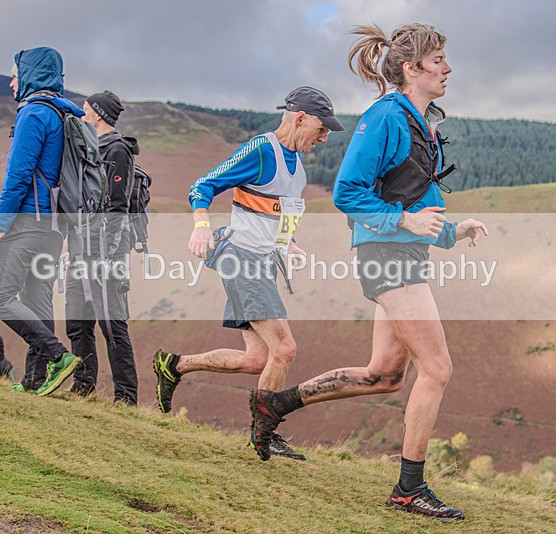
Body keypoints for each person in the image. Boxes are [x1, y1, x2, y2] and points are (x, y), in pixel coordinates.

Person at [248, 24, 488, 520]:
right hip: (385, 255)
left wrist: (451, 231)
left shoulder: (422, 122)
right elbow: (347, 193)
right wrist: (406, 221)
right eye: (439, 60)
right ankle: (408, 489)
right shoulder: (383, 118)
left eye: (445, 59)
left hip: (404, 252)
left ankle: (276, 405)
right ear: (411, 68)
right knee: (438, 369)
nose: (447, 68)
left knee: (384, 375)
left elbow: (415, 200)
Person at [154, 86, 345, 460]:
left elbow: (283, 219)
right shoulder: (261, 150)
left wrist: (288, 246)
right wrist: (201, 226)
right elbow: (202, 185)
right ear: (300, 117)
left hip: (262, 263)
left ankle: (174, 365)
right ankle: (264, 432)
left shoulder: (299, 171)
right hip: (240, 259)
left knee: (257, 360)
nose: (323, 139)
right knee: (285, 349)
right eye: (322, 130)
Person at [0, 47, 81, 397]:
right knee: (37, 300)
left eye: (16, 75)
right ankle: (36, 380)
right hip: (53, 230)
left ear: (29, 75)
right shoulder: (63, 114)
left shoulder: (34, 113)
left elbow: (19, 173)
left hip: (25, 220)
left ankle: (56, 356)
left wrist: (1, 221)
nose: (12, 83)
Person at [65, 90, 140, 405]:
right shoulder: (89, 147)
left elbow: (117, 207)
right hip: (82, 246)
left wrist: (105, 255)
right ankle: (83, 387)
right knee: (77, 321)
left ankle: (126, 397)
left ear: (97, 113)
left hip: (106, 249)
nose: (82, 113)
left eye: (85, 109)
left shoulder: (118, 150)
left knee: (112, 322)